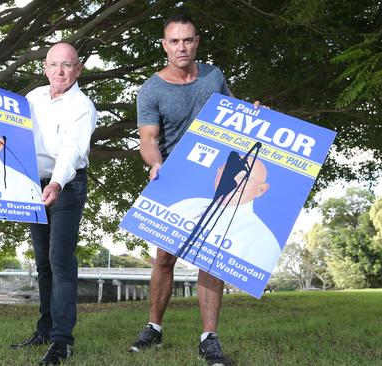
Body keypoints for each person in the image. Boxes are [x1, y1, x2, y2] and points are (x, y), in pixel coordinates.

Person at [129, 13, 258, 366]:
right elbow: (149, 140)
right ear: (164, 45)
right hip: (173, 178)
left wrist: (254, 111)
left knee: (211, 257)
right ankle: (153, 328)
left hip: (217, 177)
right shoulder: (151, 89)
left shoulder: (214, 76)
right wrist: (155, 165)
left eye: (187, 40)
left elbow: (237, 114)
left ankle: (209, 338)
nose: (181, 47)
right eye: (174, 41)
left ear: (197, 42)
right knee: (164, 257)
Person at [6, 42, 97, 366]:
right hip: (35, 183)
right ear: (45, 67)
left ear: (78, 69)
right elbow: (6, 122)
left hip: (68, 186)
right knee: (43, 262)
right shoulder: (32, 99)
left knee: (60, 259)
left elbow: (72, 151)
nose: (60, 71)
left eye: (68, 65)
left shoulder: (83, 106)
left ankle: (62, 340)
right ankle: (44, 330)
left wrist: (56, 184)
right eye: (54, 65)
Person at [169, 156, 281, 272]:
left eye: (246, 179)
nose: (234, 181)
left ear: (261, 190)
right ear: (218, 174)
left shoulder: (263, 241)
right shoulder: (185, 205)